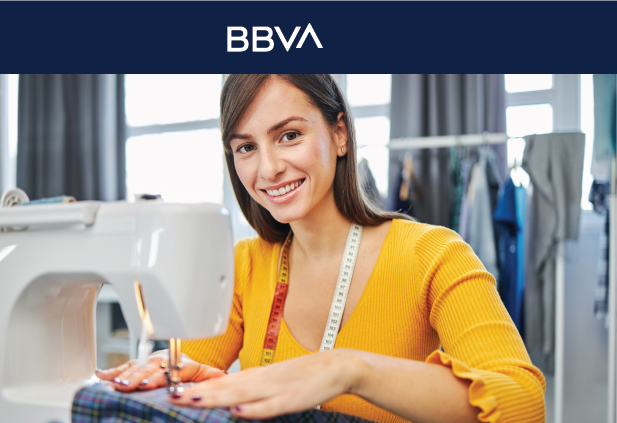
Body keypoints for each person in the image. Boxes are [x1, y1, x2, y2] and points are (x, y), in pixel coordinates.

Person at [97, 74, 545, 423]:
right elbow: (193, 374)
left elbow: (524, 405)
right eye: (246, 147)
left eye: (289, 135)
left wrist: (349, 369)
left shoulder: (432, 255)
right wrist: (166, 373)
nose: (268, 169)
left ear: (340, 134)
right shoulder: (244, 266)